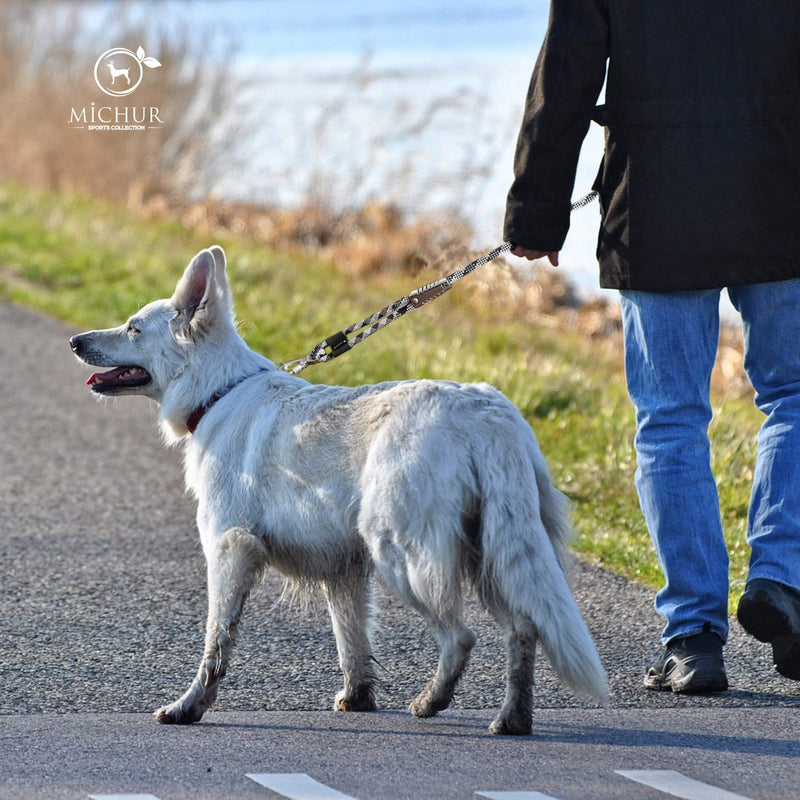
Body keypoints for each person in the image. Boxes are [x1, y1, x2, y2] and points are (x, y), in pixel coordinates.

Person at [505, 0, 800, 693]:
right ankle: (781, 577)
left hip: (660, 203)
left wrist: (536, 209)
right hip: (781, 193)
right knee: (793, 396)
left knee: (670, 419)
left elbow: (566, 73)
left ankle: (693, 638)